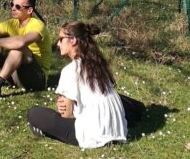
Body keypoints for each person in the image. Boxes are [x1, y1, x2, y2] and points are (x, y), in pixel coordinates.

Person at [26, 21, 141, 149]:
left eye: (61, 39)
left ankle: (45, 130)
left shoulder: (70, 70)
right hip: (118, 131)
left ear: (73, 40)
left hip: (91, 135)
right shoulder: (98, 65)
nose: (58, 43)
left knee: (34, 113)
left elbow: (67, 115)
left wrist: (68, 108)